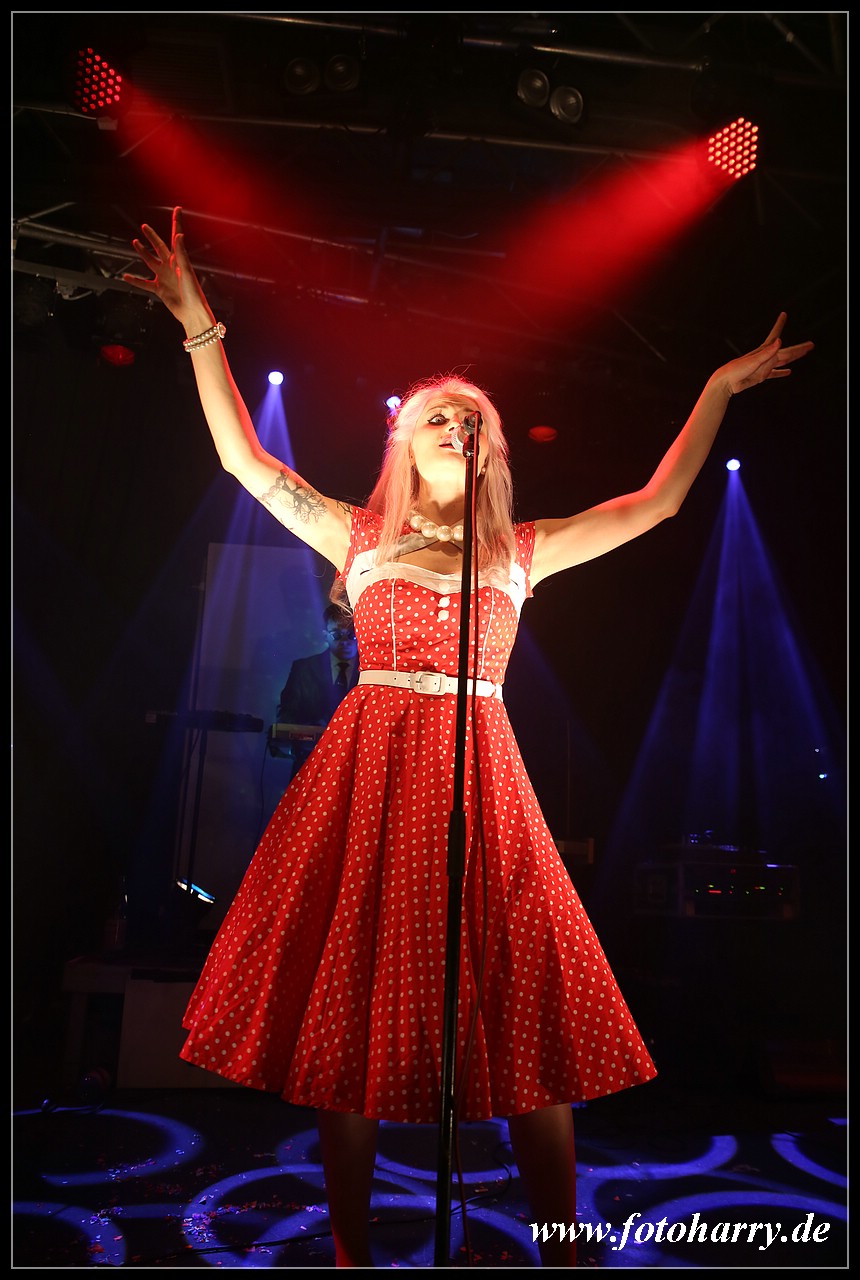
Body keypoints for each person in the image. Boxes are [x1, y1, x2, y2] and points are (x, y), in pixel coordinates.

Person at [124, 207, 813, 1268]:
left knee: (521, 994)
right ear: (403, 439)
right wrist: (198, 326)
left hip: (478, 776)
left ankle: (560, 1247)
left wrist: (717, 387)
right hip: (367, 773)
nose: (458, 426)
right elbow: (244, 461)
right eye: (439, 415)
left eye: (472, 419)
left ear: (488, 450)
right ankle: (353, 1252)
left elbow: (656, 505)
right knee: (351, 1004)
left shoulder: (521, 551)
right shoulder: (357, 534)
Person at [273, 603, 360, 778]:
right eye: (337, 635)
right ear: (325, 635)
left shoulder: (371, 671)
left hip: (356, 762)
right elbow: (287, 712)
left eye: (351, 635)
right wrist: (309, 728)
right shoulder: (304, 668)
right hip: (309, 759)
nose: (345, 642)